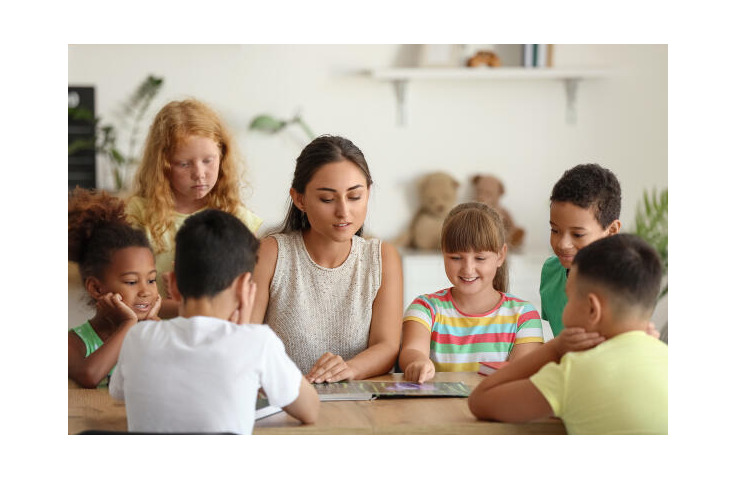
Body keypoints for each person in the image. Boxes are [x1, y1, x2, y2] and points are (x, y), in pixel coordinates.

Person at [109, 209, 319, 434]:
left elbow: (118, 393)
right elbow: (310, 410)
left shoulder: (138, 338)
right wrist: (244, 332)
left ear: (173, 286)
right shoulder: (257, 343)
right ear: (244, 288)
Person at [468, 234, 668, 434]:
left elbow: (480, 400)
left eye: (569, 297)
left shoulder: (575, 371)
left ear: (592, 309)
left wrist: (554, 349)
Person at [250, 135, 403, 384]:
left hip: (361, 408)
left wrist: (347, 370)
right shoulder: (271, 253)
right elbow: (246, 339)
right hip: (283, 403)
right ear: (300, 199)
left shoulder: (382, 258)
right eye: (327, 199)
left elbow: (386, 346)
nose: (343, 211)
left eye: (354, 197)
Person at [126, 98, 262, 318]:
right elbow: (128, 295)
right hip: (154, 337)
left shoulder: (237, 218)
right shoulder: (139, 214)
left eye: (208, 160)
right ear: (163, 166)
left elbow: (248, 297)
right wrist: (185, 308)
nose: (199, 173)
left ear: (222, 155)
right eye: (184, 164)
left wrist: (182, 307)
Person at [400, 202, 544, 383]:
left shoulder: (524, 316)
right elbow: (412, 350)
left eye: (480, 258)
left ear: (500, 256)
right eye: (456, 258)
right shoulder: (424, 309)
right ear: (443, 253)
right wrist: (418, 363)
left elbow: (521, 375)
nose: (468, 269)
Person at [68, 187, 161, 388]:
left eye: (151, 280)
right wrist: (128, 324)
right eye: (131, 282)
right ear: (96, 288)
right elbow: (90, 376)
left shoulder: (158, 332)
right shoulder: (73, 342)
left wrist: (156, 329)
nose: (146, 291)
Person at [540, 163, 622, 337]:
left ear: (612, 231)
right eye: (555, 230)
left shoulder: (623, 284)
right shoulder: (550, 271)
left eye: (577, 234)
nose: (563, 244)